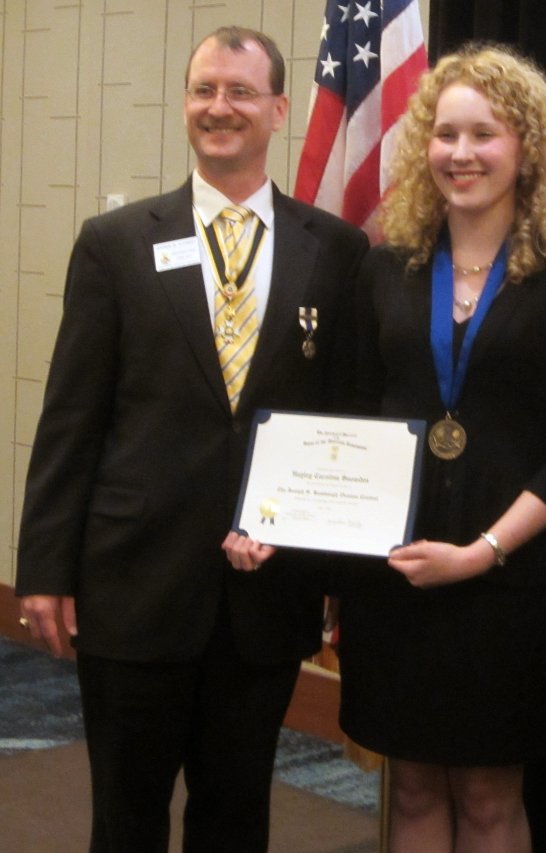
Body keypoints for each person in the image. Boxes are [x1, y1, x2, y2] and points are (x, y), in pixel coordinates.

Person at [227, 44, 546, 851]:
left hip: (512, 584)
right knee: (408, 788)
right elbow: (350, 418)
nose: (461, 154)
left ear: (528, 146)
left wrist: (482, 552)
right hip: (394, 581)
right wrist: (302, 524)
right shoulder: (387, 268)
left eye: (485, 135)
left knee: (485, 795)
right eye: (445, 135)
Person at [16, 26, 368, 851]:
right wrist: (43, 569)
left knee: (237, 813)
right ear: (185, 105)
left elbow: (339, 425)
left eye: (241, 92)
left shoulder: (338, 252)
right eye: (205, 89)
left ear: (280, 108)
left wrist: (307, 543)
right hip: (133, 585)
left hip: (264, 598)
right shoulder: (116, 244)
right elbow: (72, 418)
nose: (220, 108)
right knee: (127, 816)